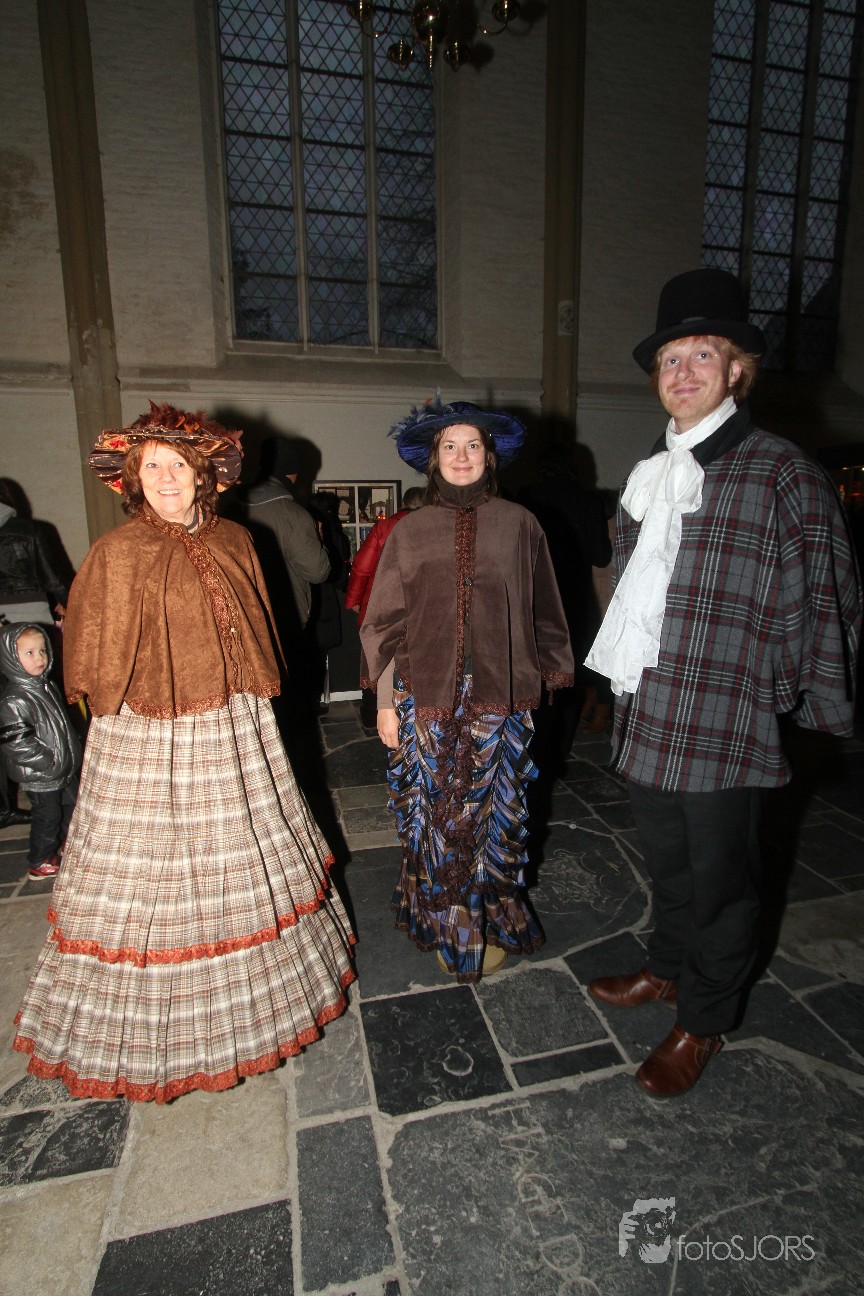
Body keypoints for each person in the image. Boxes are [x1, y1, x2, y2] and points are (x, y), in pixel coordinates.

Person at [13, 402, 355, 1102]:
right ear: (134, 478)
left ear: (205, 475)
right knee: (154, 878)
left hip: (233, 728)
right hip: (146, 736)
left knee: (240, 856)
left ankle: (252, 1017)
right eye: (152, 467)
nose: (167, 478)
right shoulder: (117, 552)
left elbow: (261, 628)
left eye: (179, 465)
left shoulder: (238, 540)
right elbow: (94, 647)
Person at [585, 269, 861, 1096]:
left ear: (737, 369)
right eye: (670, 360)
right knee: (670, 867)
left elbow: (831, 593)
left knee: (724, 886)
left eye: (702, 355)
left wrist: (800, 698)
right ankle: (667, 969)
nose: (683, 372)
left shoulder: (782, 472)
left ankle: (703, 1019)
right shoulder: (649, 470)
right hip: (649, 708)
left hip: (727, 715)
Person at [360, 395, 574, 982]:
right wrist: (385, 704)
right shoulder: (409, 531)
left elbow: (547, 610)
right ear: (433, 458)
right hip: (423, 698)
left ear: (489, 455)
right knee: (437, 817)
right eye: (449, 446)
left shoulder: (521, 525)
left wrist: (545, 679)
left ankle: (488, 919)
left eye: (472, 445)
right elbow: (383, 624)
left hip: (501, 699)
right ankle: (451, 926)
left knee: (492, 818)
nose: (461, 456)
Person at [0, 623, 82, 878]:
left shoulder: (46, 686)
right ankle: (40, 859)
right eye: (30, 653)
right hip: (41, 773)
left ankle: (67, 841)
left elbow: (61, 726)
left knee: (72, 805)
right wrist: (48, 761)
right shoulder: (15, 700)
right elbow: (18, 743)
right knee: (48, 816)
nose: (40, 658)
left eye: (42, 650)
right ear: (11, 658)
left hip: (61, 767)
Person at [345, 486, 424, 728]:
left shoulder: (385, 527)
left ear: (404, 502)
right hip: (421, 605)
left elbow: (361, 567)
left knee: (376, 655)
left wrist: (354, 600)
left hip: (381, 603)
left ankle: (373, 714)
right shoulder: (433, 526)